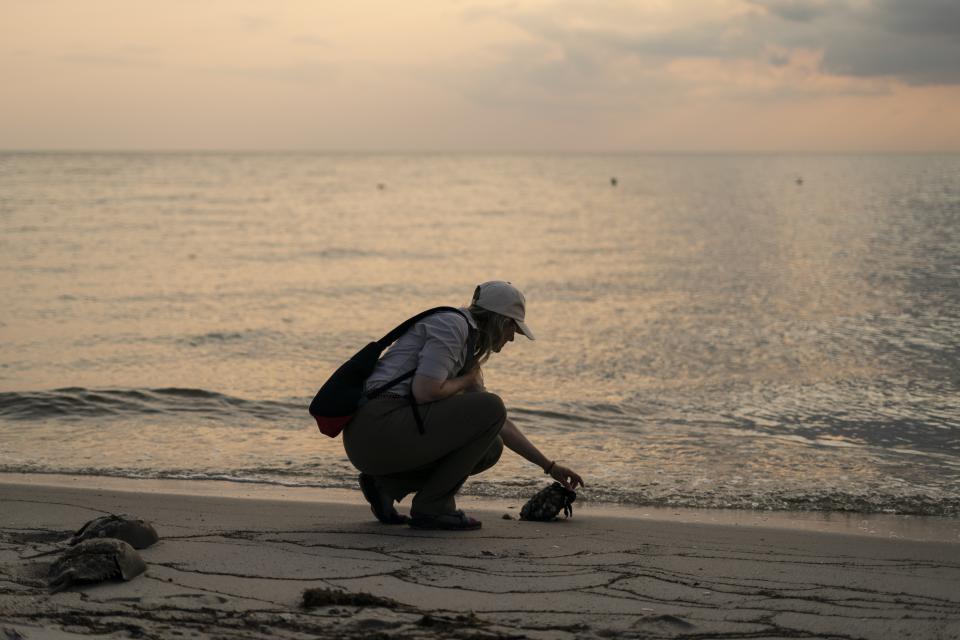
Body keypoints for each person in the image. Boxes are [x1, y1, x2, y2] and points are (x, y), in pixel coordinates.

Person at [343, 281, 584, 530]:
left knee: (491, 446)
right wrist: (466, 380)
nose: (512, 338)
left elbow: (498, 423)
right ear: (500, 321)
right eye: (513, 328)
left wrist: (549, 466)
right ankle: (433, 507)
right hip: (375, 427)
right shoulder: (452, 327)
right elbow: (425, 392)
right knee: (491, 406)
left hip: (383, 434)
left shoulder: (467, 343)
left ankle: (387, 487)